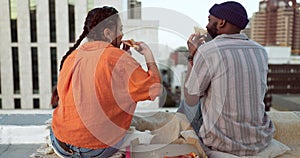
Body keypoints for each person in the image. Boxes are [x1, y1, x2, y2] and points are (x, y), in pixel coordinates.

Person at [49, 6, 161, 157]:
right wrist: (148, 56)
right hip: (97, 149)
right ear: (107, 33)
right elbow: (154, 89)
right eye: (120, 29)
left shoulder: (72, 56)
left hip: (62, 143)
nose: (122, 34)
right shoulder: (118, 58)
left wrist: (122, 57)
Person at [180, 1, 275, 156]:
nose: (206, 25)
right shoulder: (261, 51)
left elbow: (191, 97)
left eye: (210, 20)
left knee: (186, 104)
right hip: (259, 139)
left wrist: (193, 55)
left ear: (222, 22)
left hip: (222, 143)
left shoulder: (208, 50)